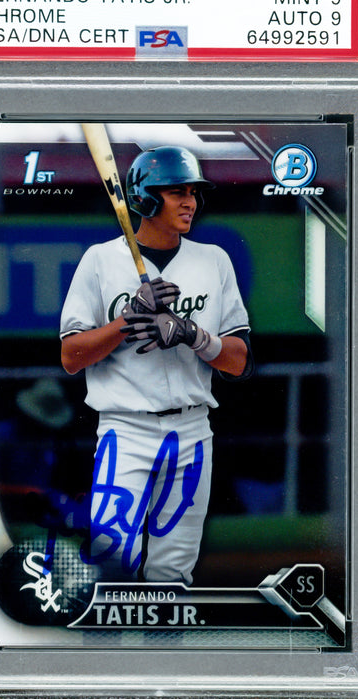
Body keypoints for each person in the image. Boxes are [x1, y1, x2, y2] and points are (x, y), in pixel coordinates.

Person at [60, 146, 253, 585]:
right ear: (145, 198)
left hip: (192, 431)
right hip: (124, 430)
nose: (190, 202)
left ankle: (164, 634)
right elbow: (71, 357)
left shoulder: (214, 260)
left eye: (193, 193)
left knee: (174, 572)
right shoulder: (100, 260)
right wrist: (128, 319)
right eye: (177, 192)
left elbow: (240, 362)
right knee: (112, 563)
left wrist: (191, 334)